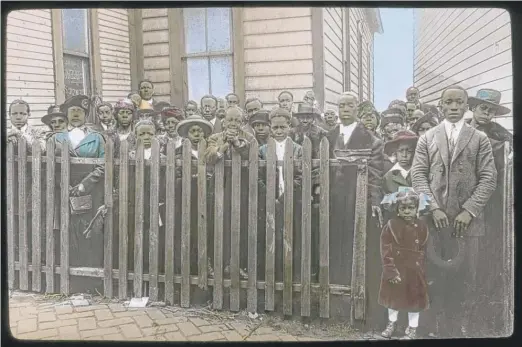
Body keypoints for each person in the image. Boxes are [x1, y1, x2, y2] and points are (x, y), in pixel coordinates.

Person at [411, 85, 497, 337]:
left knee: (466, 276)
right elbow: (418, 175)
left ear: (466, 106)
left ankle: (461, 328)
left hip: (467, 224)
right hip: (435, 221)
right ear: (440, 105)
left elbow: (488, 178)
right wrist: (433, 207)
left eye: (459, 102)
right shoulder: (427, 138)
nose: (454, 107)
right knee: (434, 275)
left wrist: (469, 211)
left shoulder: (479, 139)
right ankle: (433, 327)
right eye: (448, 102)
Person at [325, 91, 384, 318]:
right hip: (332, 201)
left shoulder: (371, 139)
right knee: (332, 246)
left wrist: (373, 202)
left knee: (355, 247)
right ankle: (334, 298)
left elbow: (376, 176)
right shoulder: (328, 136)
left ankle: (355, 302)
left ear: (357, 109)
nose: (345, 109)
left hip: (356, 201)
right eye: (341, 105)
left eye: (350, 105)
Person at [466, 88, 513, 334]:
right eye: (483, 108)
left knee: (485, 254)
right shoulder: (457, 129)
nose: (486, 113)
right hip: (460, 197)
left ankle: (481, 309)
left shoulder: (500, 136)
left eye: (491, 110)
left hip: (489, 200)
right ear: (472, 108)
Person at [51, 94, 106, 294]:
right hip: (63, 191)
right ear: (66, 114)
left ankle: (92, 283)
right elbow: (50, 166)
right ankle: (72, 283)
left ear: (85, 115)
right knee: (68, 234)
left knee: (90, 234)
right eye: (72, 112)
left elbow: (103, 166)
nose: (76, 115)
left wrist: (84, 185)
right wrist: (64, 185)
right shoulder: (57, 138)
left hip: (90, 192)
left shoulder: (97, 138)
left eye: (80, 112)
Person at [206, 106, 256, 279]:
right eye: (230, 120)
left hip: (241, 186)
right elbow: (210, 157)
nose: (233, 123)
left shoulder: (248, 137)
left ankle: (237, 264)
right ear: (224, 121)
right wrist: (226, 144)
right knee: (218, 223)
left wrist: (237, 143)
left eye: (237, 120)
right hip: (219, 186)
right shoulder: (214, 137)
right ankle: (217, 263)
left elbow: (251, 154)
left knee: (239, 223)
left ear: (242, 123)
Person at [258, 107, 303, 291]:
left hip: (291, 199)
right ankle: (271, 276)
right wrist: (270, 197)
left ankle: (291, 277)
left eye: (282, 127)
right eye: (275, 127)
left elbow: (300, 177)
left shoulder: (298, 149)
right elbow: (258, 176)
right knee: (270, 237)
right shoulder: (262, 150)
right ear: (270, 127)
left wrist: (284, 197)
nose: (278, 131)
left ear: (289, 128)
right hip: (269, 200)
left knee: (292, 237)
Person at [378, 191, 429, 340]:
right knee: (393, 299)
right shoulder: (391, 226)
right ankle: (391, 324)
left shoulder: (422, 226)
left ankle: (412, 328)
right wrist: (391, 271)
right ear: (398, 209)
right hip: (397, 267)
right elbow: (385, 250)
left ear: (417, 208)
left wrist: (422, 269)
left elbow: (423, 250)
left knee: (414, 300)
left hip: (414, 269)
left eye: (411, 208)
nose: (407, 211)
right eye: (403, 208)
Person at [174, 114, 214, 300]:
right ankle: (188, 273)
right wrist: (191, 179)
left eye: (199, 131)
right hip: (187, 198)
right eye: (192, 131)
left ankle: (207, 272)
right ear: (186, 134)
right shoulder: (179, 152)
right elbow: (175, 176)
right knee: (188, 233)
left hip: (209, 199)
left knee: (208, 234)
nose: (196, 134)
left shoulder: (209, 151)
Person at [380, 108, 406, 173]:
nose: (394, 127)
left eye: (397, 124)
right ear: (382, 130)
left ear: (403, 127)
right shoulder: (378, 148)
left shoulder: (408, 147)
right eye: (389, 124)